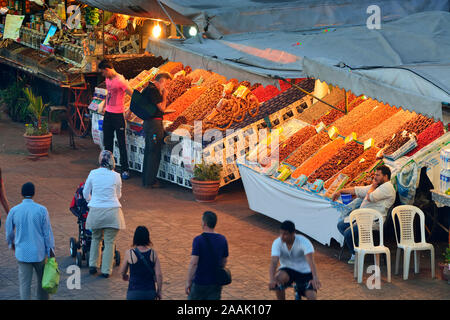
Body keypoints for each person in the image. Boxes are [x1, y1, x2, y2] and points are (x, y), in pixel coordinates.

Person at [333, 165, 396, 264]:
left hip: (374, 221)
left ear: (385, 176)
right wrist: (340, 191)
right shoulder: (378, 186)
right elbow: (358, 190)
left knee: (348, 233)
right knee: (341, 225)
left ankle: (355, 254)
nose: (375, 177)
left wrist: (373, 186)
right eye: (375, 174)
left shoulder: (387, 187)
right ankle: (358, 249)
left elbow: (370, 197)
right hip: (363, 218)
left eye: (378, 175)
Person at [5, 182, 55, 300]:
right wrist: (50, 251)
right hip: (39, 253)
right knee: (43, 284)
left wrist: (11, 243)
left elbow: (9, 232)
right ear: (34, 194)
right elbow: (47, 233)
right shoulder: (42, 210)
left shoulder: (14, 211)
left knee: (24, 285)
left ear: (21, 194)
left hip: (22, 253)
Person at [83, 150, 126, 278]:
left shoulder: (93, 173)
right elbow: (118, 195)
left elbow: (86, 192)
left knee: (96, 238)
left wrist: (92, 200)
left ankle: (93, 265)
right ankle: (106, 270)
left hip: (96, 211)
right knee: (109, 242)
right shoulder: (116, 176)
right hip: (112, 212)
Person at [98, 59, 133, 180]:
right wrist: (104, 105)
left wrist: (129, 111)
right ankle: (108, 168)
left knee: (121, 143)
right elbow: (109, 93)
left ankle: (125, 169)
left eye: (103, 72)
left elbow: (133, 95)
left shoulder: (121, 81)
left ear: (107, 70)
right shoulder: (108, 79)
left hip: (118, 115)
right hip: (108, 114)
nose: (103, 75)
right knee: (107, 142)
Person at [269, 220, 321, 300]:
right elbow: (274, 262)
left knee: (311, 297)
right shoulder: (277, 243)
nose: (282, 236)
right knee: (278, 280)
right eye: (281, 233)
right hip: (287, 270)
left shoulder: (304, 242)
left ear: (293, 233)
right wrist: (272, 279)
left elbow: (310, 261)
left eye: (285, 234)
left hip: (305, 272)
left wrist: (315, 277)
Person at [186, 211, 229, 300]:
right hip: (216, 281)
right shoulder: (222, 239)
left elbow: (194, 263)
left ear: (204, 223)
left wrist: (188, 281)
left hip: (200, 281)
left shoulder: (198, 240)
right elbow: (224, 260)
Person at [141, 72, 172, 188]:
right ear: (162, 81)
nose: (166, 87)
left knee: (148, 151)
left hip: (148, 123)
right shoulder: (154, 90)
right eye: (167, 84)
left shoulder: (147, 88)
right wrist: (164, 95)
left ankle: (146, 179)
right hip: (154, 125)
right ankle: (151, 182)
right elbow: (162, 108)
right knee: (154, 152)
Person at [120, 226, 163, 300]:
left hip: (133, 292)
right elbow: (159, 275)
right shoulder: (153, 254)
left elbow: (122, 271)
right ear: (147, 238)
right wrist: (159, 291)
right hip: (149, 292)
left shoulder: (129, 253)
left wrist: (124, 276)